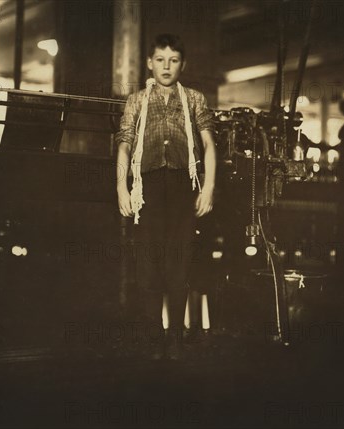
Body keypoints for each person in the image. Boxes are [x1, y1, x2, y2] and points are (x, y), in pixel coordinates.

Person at [115, 34, 216, 359]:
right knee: (148, 268)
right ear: (150, 62)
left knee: (179, 266)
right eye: (160, 59)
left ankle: (174, 339)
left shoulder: (195, 100)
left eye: (173, 60)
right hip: (147, 192)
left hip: (184, 191)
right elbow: (124, 144)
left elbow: (210, 145)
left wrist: (209, 187)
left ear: (182, 64)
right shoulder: (136, 101)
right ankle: (152, 339)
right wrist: (121, 187)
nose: (166, 66)